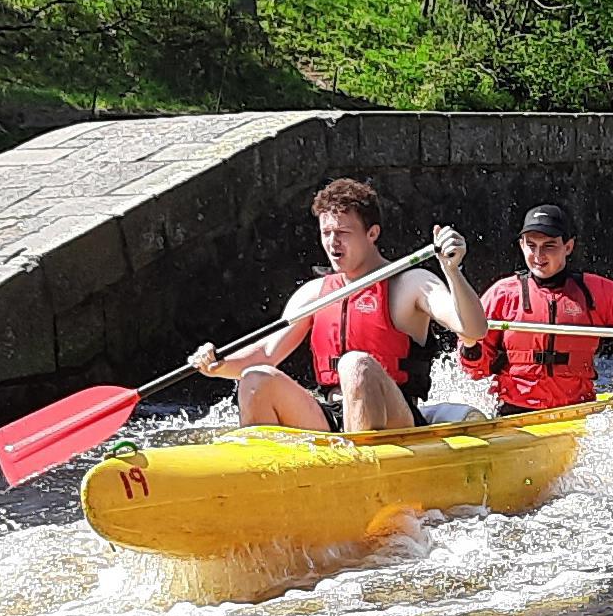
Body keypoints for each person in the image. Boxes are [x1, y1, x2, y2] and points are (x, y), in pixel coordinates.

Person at [190, 177, 489, 434]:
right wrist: (218, 364)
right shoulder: (315, 293)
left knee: (354, 363)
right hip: (334, 417)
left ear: (372, 234)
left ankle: (361, 475)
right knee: (256, 379)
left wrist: (452, 271)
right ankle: (260, 482)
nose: (333, 243)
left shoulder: (410, 283)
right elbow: (267, 353)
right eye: (326, 233)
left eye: (343, 233)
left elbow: (474, 329)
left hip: (395, 418)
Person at [460, 202, 613, 414]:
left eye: (549, 246)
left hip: (577, 411)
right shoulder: (502, 294)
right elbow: (475, 368)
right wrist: (470, 346)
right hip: (516, 411)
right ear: (521, 245)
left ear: (568, 247)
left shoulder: (594, 291)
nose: (539, 256)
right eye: (531, 246)